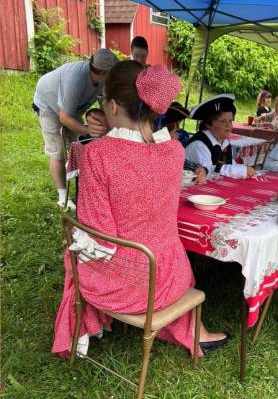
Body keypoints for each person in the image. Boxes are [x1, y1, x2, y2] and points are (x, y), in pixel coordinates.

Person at [52, 61, 228, 359]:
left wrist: (73, 232)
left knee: (75, 252)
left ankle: (80, 331)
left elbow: (101, 239)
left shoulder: (96, 154)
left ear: (111, 105)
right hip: (171, 276)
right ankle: (198, 333)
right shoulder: (174, 150)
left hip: (127, 286)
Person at [33, 49, 118, 209]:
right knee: (57, 150)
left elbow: (105, 105)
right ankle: (62, 196)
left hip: (71, 109)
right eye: (112, 73)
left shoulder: (103, 81)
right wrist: (88, 131)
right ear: (100, 72)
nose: (114, 77)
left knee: (78, 146)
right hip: (48, 105)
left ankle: (83, 188)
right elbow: (64, 117)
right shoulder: (75, 81)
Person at [185, 94, 255, 179]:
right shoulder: (199, 145)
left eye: (230, 121)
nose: (228, 126)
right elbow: (208, 172)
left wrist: (243, 169)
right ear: (208, 124)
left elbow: (229, 164)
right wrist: (239, 171)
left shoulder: (223, 142)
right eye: (223, 121)